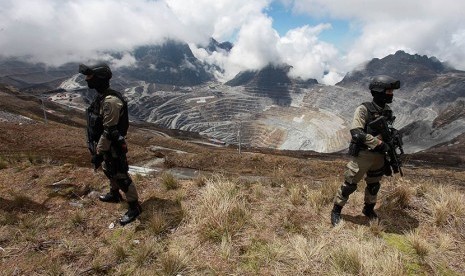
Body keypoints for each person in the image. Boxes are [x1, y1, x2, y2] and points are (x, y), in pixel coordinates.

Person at [330, 75, 401, 226]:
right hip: (364, 154)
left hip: (379, 157)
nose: (391, 94)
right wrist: (378, 143)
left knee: (374, 184)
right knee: (350, 184)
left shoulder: (387, 111)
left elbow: (388, 129)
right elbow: (356, 132)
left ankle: (368, 209)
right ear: (379, 91)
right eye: (388, 91)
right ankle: (336, 210)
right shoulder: (363, 109)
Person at [79, 63, 142, 225]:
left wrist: (98, 153)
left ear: (99, 79)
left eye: (90, 77)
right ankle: (114, 194)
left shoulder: (110, 101)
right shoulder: (101, 97)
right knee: (108, 169)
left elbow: (109, 131)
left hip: (111, 145)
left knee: (121, 175)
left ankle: (134, 207)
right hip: (104, 144)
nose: (87, 80)